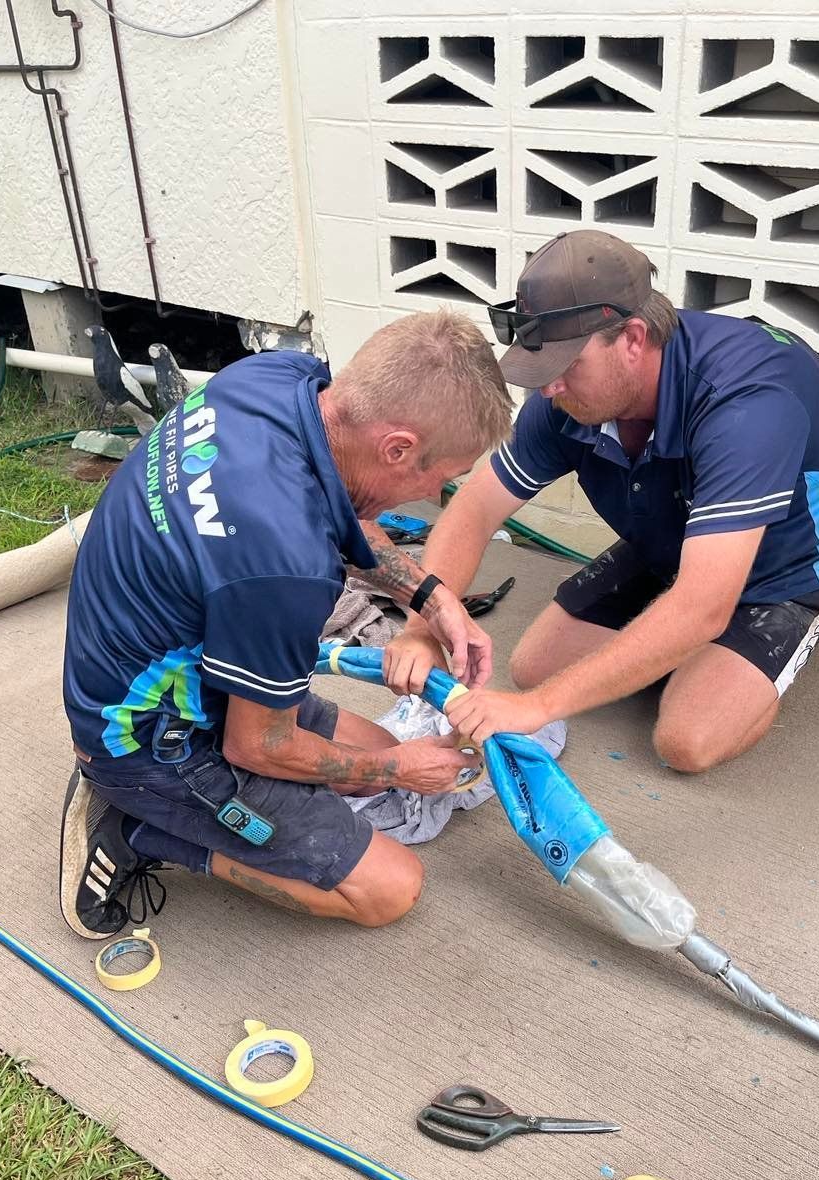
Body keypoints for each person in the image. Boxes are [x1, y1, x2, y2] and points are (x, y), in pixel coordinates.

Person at [60, 311, 511, 937]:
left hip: (161, 676)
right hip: (151, 745)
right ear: (399, 447)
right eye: (443, 478)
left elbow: (334, 513)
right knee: (388, 889)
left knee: (378, 751)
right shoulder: (287, 569)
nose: (436, 496)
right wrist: (400, 772)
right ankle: (137, 829)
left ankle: (153, 800)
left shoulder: (274, 380)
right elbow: (259, 746)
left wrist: (434, 600)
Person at [386, 230, 819, 772]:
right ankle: (680, 631)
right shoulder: (566, 392)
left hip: (789, 563)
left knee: (687, 741)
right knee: (535, 664)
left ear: (632, 338)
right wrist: (423, 627)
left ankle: (774, 635)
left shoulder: (747, 405)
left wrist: (537, 709)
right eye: (540, 366)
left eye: (565, 366)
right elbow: (473, 510)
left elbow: (702, 607)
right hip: (677, 529)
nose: (548, 390)